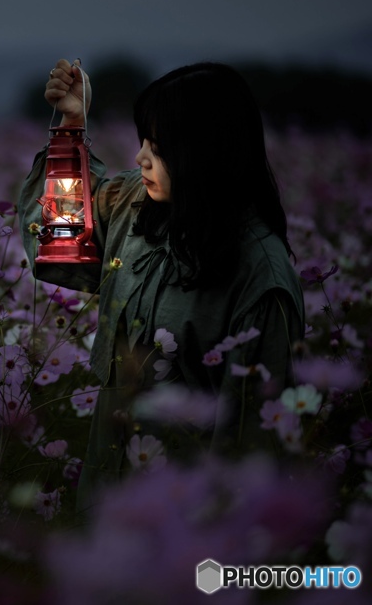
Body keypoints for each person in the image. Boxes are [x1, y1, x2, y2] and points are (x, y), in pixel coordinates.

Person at [17, 59, 304, 512]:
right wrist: (72, 125)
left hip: (186, 521)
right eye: (144, 141)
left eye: (161, 146)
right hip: (108, 494)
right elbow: (60, 245)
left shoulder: (260, 279)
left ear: (207, 152)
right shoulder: (137, 204)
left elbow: (251, 446)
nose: (140, 158)